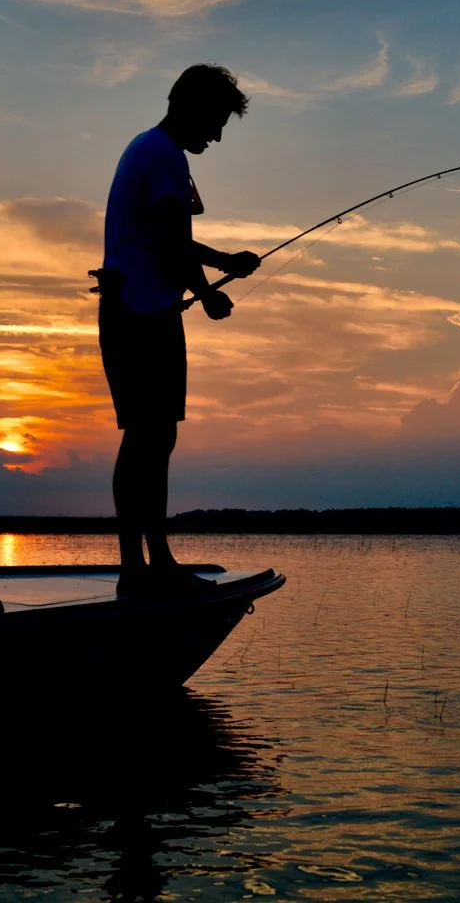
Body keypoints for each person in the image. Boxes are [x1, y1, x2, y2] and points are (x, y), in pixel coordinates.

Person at [94, 64, 260, 594]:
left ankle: (147, 566)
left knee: (153, 438)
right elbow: (171, 241)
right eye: (214, 121)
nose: (215, 135)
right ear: (188, 106)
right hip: (139, 315)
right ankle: (142, 568)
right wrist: (213, 282)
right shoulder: (161, 156)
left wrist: (214, 271)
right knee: (147, 438)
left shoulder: (152, 151)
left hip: (144, 310)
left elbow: (168, 242)